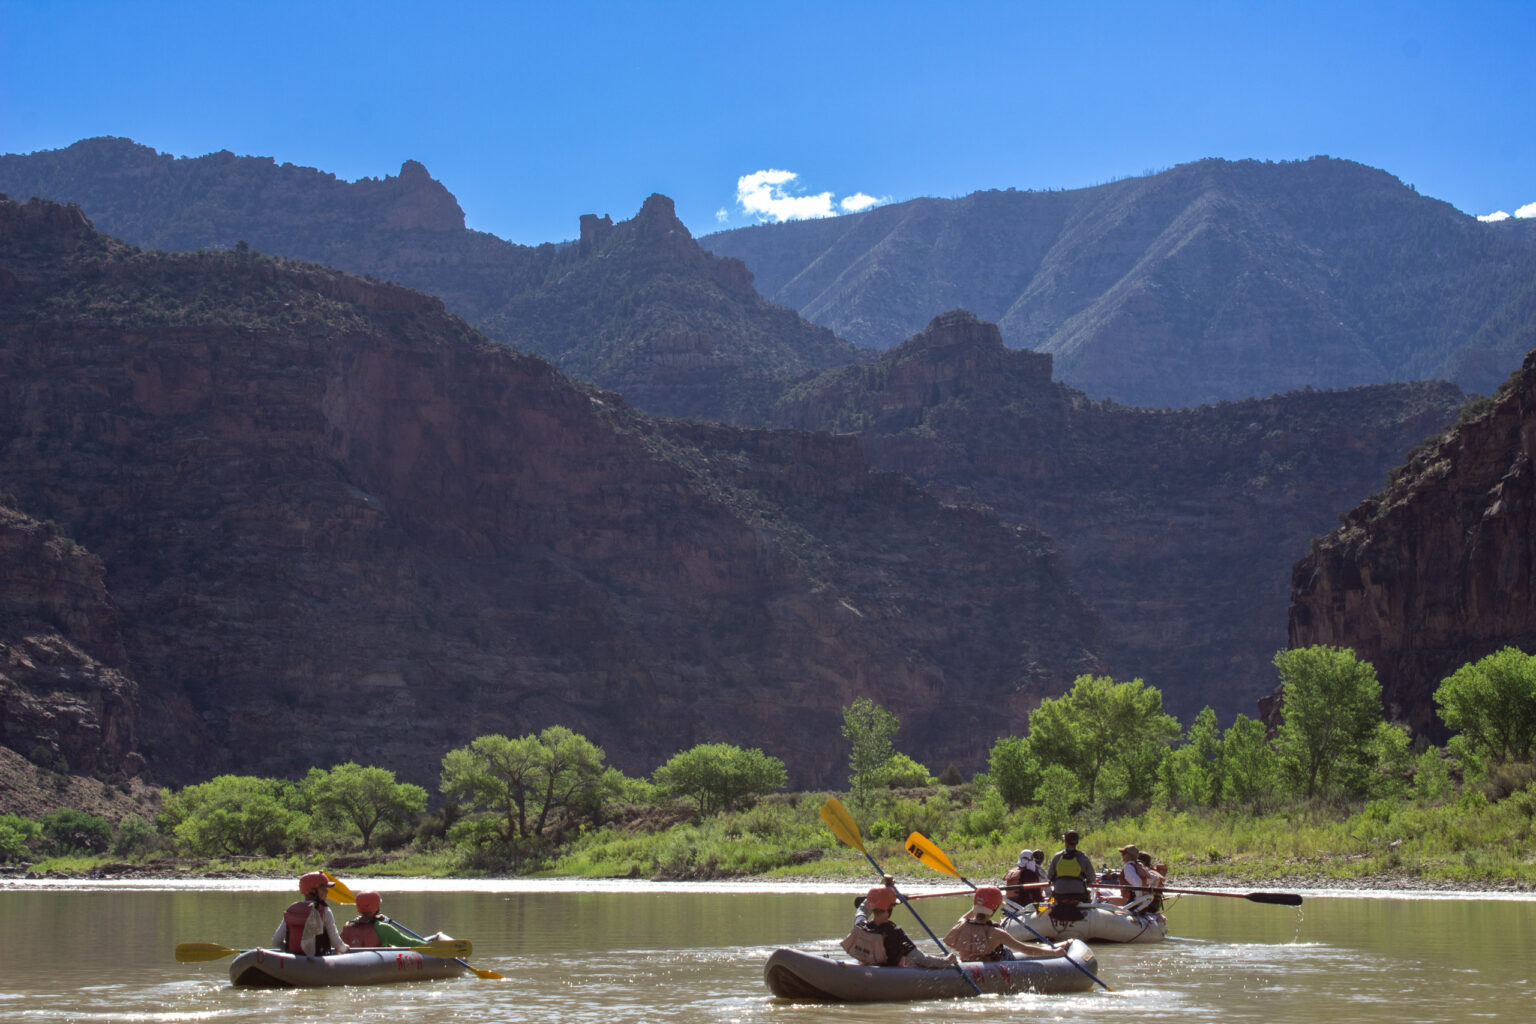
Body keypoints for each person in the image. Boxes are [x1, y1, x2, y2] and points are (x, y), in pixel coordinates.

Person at [842, 885, 959, 969]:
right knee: (909, 958)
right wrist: (946, 961)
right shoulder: (896, 934)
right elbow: (922, 960)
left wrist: (882, 891)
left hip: (868, 968)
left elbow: (862, 910)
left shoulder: (861, 925)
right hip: (889, 977)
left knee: (907, 958)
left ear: (870, 905)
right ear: (890, 908)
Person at [943, 886, 1062, 962]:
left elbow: (966, 916)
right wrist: (1054, 953)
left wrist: (978, 906)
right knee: (1006, 951)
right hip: (992, 969)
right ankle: (1061, 947)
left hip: (967, 964)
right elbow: (1025, 949)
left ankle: (1064, 945)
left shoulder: (962, 924)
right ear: (994, 909)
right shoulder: (996, 933)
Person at [273, 872, 350, 956]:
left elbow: (276, 942)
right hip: (318, 960)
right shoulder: (325, 910)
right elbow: (336, 944)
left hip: (293, 959)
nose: (327, 892)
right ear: (313, 891)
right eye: (323, 888)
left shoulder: (292, 910)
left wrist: (288, 950)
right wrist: (345, 948)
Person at [341, 890, 429, 948]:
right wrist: (430, 946)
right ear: (376, 906)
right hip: (375, 965)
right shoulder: (382, 928)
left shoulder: (348, 925)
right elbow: (406, 943)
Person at [1046, 829, 1095, 918]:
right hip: (1079, 895)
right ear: (1077, 842)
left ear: (1065, 841)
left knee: (1048, 902)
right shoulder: (1084, 857)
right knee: (1089, 901)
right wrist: (1084, 884)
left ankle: (1042, 912)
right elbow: (1092, 879)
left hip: (1059, 895)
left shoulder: (1057, 856)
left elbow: (1049, 877)